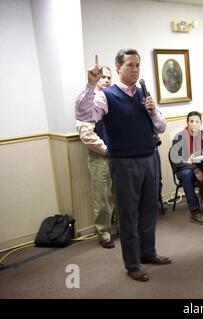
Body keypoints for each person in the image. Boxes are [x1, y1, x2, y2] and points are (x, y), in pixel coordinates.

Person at [75, 49, 171, 282]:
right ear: (118, 67)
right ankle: (132, 264)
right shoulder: (105, 95)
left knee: (149, 210)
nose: (135, 69)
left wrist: (152, 111)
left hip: (149, 159)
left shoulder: (144, 94)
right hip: (123, 162)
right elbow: (84, 114)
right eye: (130, 65)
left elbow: (161, 127)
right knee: (128, 214)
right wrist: (90, 84)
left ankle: (148, 253)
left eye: (138, 65)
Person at [76, 66, 117, 249]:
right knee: (102, 198)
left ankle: (122, 228)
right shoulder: (89, 102)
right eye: (103, 77)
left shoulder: (113, 99)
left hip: (119, 156)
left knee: (119, 194)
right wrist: (107, 150)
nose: (106, 80)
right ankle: (104, 233)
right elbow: (86, 134)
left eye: (109, 77)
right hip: (100, 157)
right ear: (96, 79)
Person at [170, 111, 203, 225]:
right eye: (191, 121)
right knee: (187, 174)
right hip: (184, 169)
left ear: (201, 123)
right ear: (187, 123)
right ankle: (194, 211)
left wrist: (196, 154)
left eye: (197, 122)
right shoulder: (179, 137)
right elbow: (176, 160)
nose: (194, 124)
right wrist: (194, 168)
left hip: (202, 167)